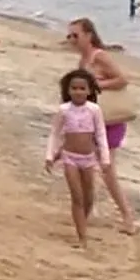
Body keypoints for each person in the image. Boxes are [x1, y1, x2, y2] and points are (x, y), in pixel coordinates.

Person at [66, 17, 136, 234]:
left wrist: (97, 85)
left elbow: (122, 80)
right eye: (69, 36)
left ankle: (127, 218)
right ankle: (87, 211)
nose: (72, 40)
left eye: (75, 35)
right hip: (94, 120)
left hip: (111, 120)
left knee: (106, 169)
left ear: (89, 35)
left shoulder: (100, 57)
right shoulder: (83, 61)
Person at [45, 68, 112, 248]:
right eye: (74, 88)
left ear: (89, 91)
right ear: (68, 90)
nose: (78, 92)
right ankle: (82, 236)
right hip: (70, 158)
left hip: (89, 158)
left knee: (89, 196)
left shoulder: (94, 110)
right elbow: (55, 134)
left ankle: (82, 221)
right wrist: (50, 155)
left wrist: (105, 159)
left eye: (82, 88)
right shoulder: (64, 110)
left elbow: (100, 135)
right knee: (77, 196)